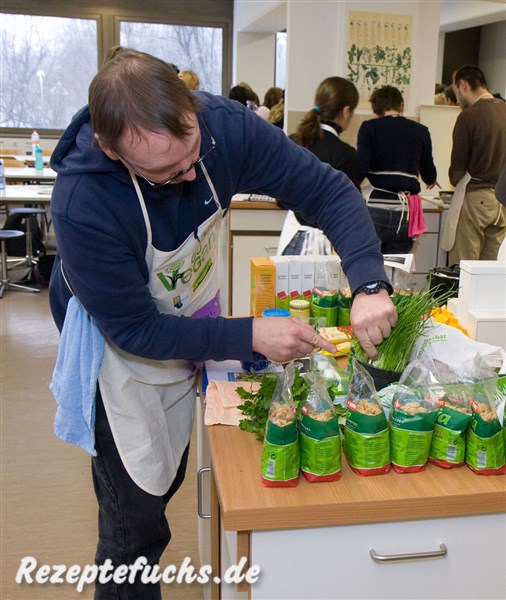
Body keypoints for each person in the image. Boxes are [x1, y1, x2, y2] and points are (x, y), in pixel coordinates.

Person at [48, 49, 397, 599]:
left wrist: (369, 284)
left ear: (192, 111)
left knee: (167, 474)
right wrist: (249, 334)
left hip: (185, 312)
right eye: (167, 173)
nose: (190, 174)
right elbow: (138, 332)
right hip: (117, 350)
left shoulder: (225, 128)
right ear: (111, 150)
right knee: (132, 525)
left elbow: (327, 191)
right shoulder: (82, 202)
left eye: (192, 155)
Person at [279, 76, 361, 255]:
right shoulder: (345, 154)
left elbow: (280, 195)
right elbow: (347, 210)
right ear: (346, 111)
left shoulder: (293, 141)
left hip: (292, 239)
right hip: (324, 247)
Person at [357, 85, 439, 254]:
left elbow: (361, 168)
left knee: (371, 265)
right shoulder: (421, 131)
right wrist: (431, 180)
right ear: (401, 105)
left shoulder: (369, 128)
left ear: (376, 110)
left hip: (375, 209)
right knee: (397, 271)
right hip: (405, 214)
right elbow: (428, 172)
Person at [442, 65, 506, 264]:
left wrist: (454, 176)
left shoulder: (469, 115)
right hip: (502, 201)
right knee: (491, 269)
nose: (457, 100)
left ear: (463, 85)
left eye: (456, 93)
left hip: (475, 198)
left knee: (464, 267)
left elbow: (457, 169)